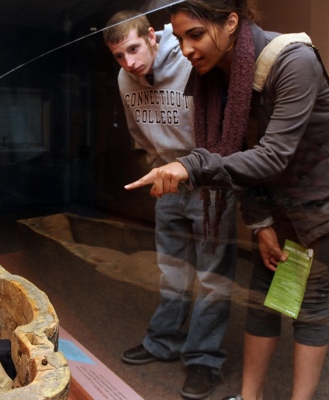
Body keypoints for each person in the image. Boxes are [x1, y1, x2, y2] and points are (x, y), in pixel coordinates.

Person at [125, 1, 329, 399]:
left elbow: (273, 153)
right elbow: (240, 151)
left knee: (307, 302)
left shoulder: (293, 60)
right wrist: (261, 223)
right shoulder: (218, 76)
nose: (186, 50)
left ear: (231, 23)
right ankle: (250, 396)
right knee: (263, 297)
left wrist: (189, 166)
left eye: (196, 34)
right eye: (180, 37)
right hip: (280, 196)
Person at [104, 10, 238, 399]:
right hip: (167, 179)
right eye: (119, 56)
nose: (129, 62)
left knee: (213, 279)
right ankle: (163, 341)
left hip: (209, 178)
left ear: (151, 36)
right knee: (172, 270)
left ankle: (203, 359)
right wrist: (160, 165)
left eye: (133, 49)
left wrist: (201, 167)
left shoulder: (188, 59)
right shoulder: (123, 78)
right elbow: (137, 130)